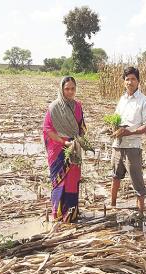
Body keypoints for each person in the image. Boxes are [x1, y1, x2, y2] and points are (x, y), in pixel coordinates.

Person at [43, 76, 88, 223]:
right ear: (62, 89)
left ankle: (71, 215)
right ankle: (59, 215)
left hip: (74, 149)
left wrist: (79, 139)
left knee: (72, 181)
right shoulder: (54, 107)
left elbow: (82, 126)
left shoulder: (78, 106)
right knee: (60, 181)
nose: (70, 92)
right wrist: (64, 142)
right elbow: (48, 130)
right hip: (59, 150)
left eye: (72, 89)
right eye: (67, 89)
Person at [111, 66, 146, 217]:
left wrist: (130, 132)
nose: (130, 82)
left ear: (138, 82)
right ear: (124, 82)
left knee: (137, 183)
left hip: (133, 147)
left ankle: (141, 215)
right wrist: (114, 128)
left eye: (133, 79)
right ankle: (112, 207)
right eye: (127, 79)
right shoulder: (122, 100)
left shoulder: (144, 101)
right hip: (117, 145)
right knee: (115, 177)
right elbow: (115, 119)